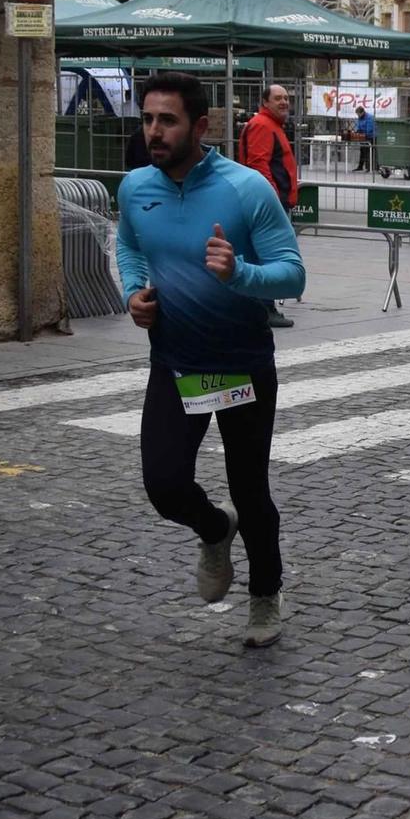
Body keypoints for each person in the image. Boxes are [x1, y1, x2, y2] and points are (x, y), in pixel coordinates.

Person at [116, 72, 307, 648]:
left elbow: (292, 273)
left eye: (167, 120)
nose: (154, 130)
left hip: (241, 361)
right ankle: (213, 526)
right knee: (164, 484)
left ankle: (265, 594)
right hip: (176, 362)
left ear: (200, 126)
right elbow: (128, 243)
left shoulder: (247, 189)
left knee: (250, 488)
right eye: (148, 118)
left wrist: (239, 273)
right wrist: (133, 292)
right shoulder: (135, 188)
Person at [238, 84, 301, 328]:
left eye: (286, 98)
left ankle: (263, 305)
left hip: (272, 201)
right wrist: (271, 200)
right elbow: (259, 165)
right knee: (269, 256)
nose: (284, 102)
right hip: (269, 203)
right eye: (278, 98)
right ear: (265, 102)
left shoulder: (271, 125)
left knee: (264, 255)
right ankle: (264, 308)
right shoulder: (263, 126)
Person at [351, 105, 376, 172]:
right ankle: (360, 166)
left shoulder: (369, 118)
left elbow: (369, 129)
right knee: (362, 151)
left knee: (368, 152)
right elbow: (358, 126)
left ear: (362, 112)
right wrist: (357, 131)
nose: (358, 116)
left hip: (370, 136)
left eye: (358, 114)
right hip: (363, 136)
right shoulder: (360, 118)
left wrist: (363, 133)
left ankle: (369, 167)